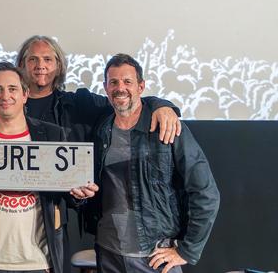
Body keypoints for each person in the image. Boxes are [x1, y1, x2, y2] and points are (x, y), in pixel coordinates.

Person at [0, 62, 98, 273]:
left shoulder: (53, 135)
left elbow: (70, 196)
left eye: (12, 89)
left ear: (25, 94)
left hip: (38, 261)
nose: (5, 95)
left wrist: (80, 194)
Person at [83, 53, 220, 273]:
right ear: (105, 87)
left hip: (155, 258)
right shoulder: (101, 131)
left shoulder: (167, 128)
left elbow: (206, 192)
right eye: (114, 82)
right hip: (108, 254)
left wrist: (187, 251)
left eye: (127, 82)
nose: (120, 88)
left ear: (141, 87)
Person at [0, 35, 181, 144]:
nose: (41, 66)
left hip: (68, 212)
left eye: (48, 59)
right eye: (33, 59)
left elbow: (122, 99)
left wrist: (161, 105)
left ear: (59, 65)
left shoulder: (80, 102)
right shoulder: (6, 103)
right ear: (22, 64)